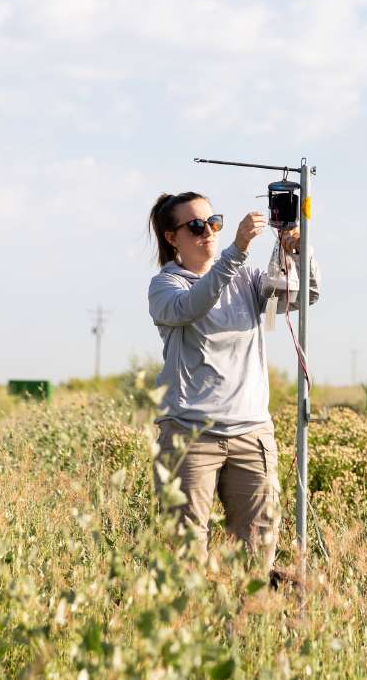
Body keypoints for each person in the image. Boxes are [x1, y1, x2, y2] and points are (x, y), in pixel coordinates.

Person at [146, 191, 318, 576]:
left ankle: (245, 632)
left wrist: (296, 252)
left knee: (257, 553)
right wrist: (237, 249)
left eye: (214, 222)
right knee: (185, 557)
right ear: (172, 238)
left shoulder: (246, 279)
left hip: (251, 435)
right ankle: (189, 633)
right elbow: (195, 304)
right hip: (190, 437)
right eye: (195, 226)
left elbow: (303, 297)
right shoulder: (166, 286)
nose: (208, 230)